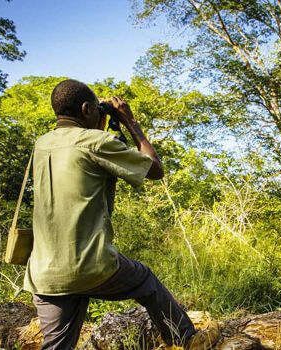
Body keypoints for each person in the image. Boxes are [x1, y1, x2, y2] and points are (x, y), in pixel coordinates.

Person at [23, 79, 218, 350]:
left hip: (44, 271)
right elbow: (154, 169)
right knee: (146, 281)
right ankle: (186, 339)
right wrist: (130, 122)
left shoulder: (42, 143)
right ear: (86, 109)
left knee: (56, 346)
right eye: (96, 108)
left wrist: (97, 124)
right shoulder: (96, 142)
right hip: (91, 265)